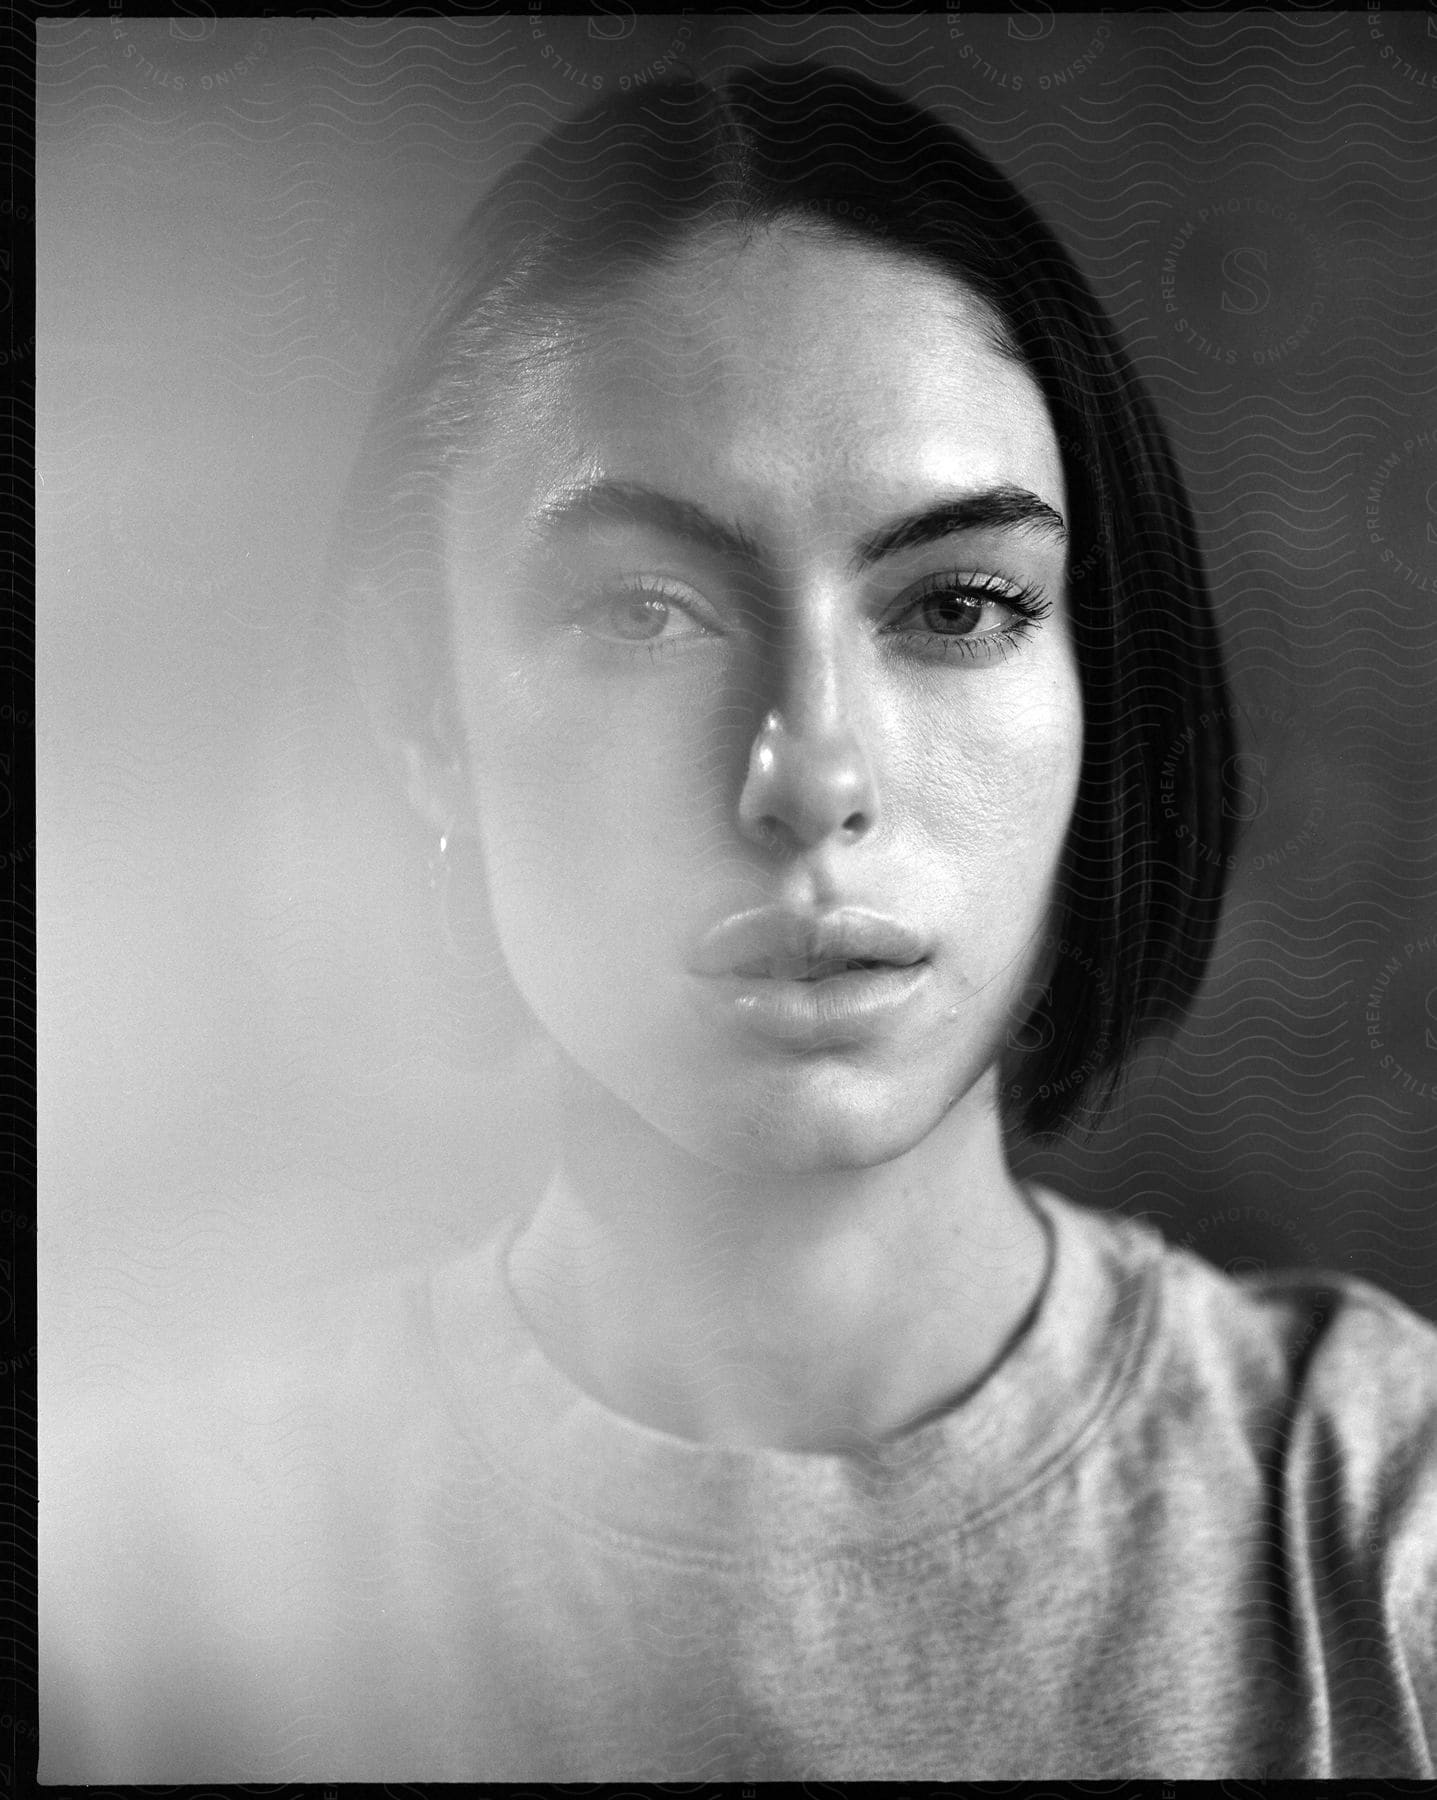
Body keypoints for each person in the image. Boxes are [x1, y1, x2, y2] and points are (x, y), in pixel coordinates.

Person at [41, 60, 1437, 1782]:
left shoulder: (1386, 1528)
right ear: (424, 708)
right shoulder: (131, 1577)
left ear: (1101, 677)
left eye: (960, 604)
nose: (809, 773)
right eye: (642, 610)